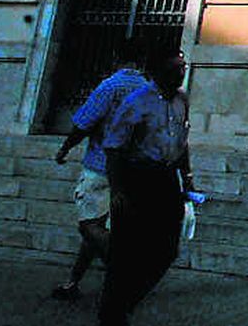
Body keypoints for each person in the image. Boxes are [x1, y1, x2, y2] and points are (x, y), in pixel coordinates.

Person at [97, 48, 194, 326]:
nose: (181, 73)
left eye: (183, 68)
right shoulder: (136, 102)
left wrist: (187, 178)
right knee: (125, 252)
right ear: (157, 71)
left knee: (166, 250)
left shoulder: (181, 101)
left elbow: (181, 142)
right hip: (137, 177)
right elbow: (114, 148)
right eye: (175, 68)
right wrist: (117, 191)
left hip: (165, 179)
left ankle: (125, 302)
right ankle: (113, 312)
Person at [51, 36, 149, 300]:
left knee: (88, 226)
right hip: (135, 171)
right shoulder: (150, 90)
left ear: (117, 58)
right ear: (142, 61)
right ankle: (73, 283)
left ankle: (124, 273)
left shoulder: (110, 86)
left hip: (101, 167)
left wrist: (64, 148)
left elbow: (84, 123)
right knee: (98, 230)